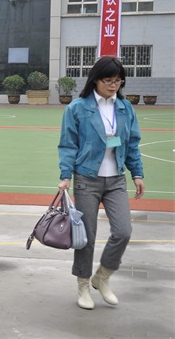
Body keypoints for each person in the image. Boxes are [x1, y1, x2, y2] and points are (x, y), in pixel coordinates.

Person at [58, 56, 145, 310]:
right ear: (95, 80)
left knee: (123, 231)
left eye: (118, 80)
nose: (114, 85)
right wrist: (65, 175)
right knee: (86, 236)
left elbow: (132, 143)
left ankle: (103, 276)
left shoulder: (125, 108)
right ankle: (83, 285)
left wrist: (137, 173)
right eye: (108, 80)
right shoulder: (77, 108)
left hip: (116, 179)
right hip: (87, 178)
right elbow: (68, 145)